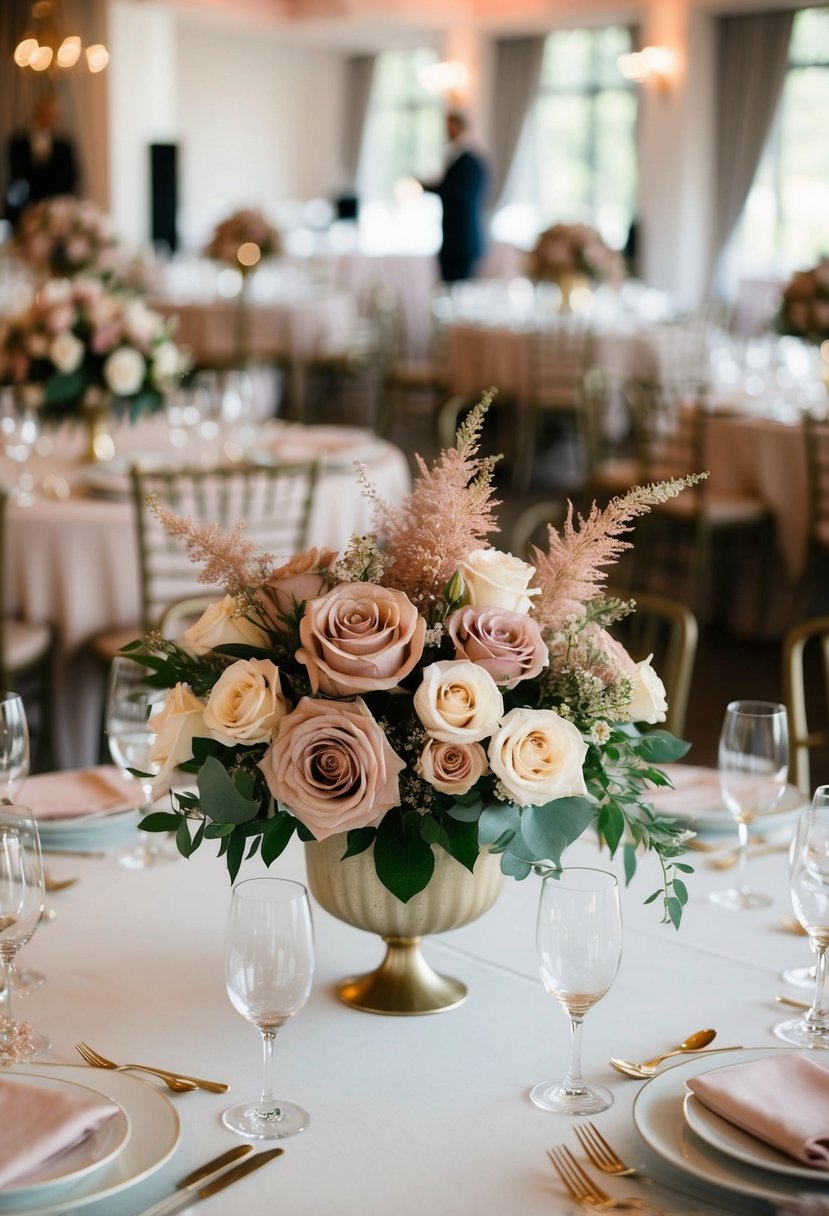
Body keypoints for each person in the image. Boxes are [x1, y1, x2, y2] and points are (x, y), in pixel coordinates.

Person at [420, 111, 489, 284]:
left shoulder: (468, 161)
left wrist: (427, 186)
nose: (446, 131)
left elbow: (458, 194)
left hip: (461, 242)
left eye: (449, 126)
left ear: (458, 127)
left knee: (458, 294)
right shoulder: (464, 158)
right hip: (456, 242)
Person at [5, 94, 78, 229]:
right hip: (26, 208)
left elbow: (72, 176)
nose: (49, 118)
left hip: (57, 208)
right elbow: (15, 177)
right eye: (46, 113)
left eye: (53, 114)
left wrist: (57, 205)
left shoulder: (64, 144)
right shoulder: (18, 142)